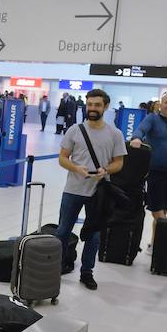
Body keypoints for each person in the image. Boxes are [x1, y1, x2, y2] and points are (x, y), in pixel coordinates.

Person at [56, 90, 126, 291]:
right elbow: (62, 158)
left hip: (99, 193)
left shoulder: (115, 134)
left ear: (105, 107)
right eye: (90, 104)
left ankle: (87, 272)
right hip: (73, 190)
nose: (92, 108)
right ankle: (56, 268)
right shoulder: (75, 130)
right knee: (62, 231)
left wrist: (106, 170)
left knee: (94, 235)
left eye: (97, 105)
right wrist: (76, 168)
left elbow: (119, 163)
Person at [129, 91, 167, 253]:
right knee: (157, 211)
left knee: (163, 210)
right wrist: (136, 139)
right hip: (154, 172)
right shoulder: (153, 119)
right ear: (161, 105)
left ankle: (155, 243)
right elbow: (140, 130)